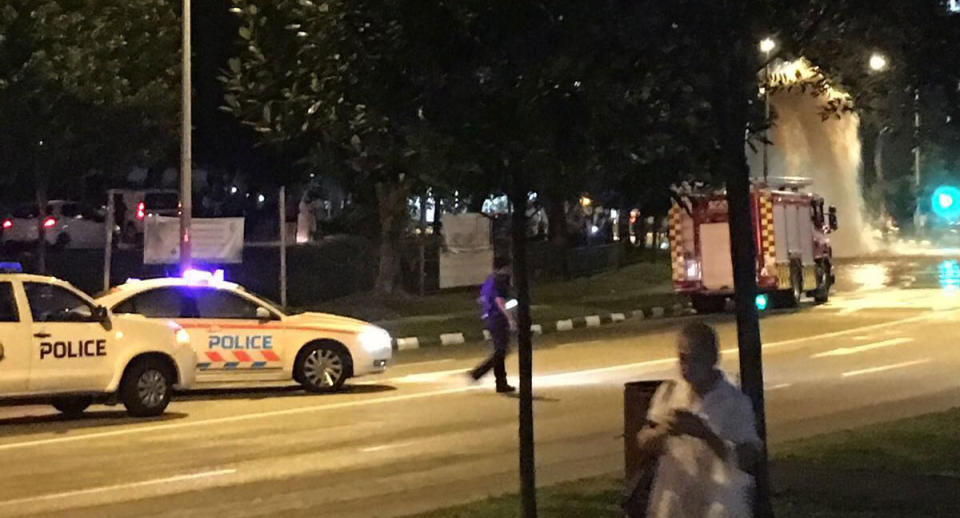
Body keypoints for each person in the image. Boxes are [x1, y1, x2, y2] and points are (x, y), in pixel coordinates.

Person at [636, 322, 762, 518]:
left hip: (718, 501)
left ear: (713, 359)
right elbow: (643, 441)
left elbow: (747, 459)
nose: (686, 367)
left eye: (695, 359)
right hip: (675, 499)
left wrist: (705, 434)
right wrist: (664, 430)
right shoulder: (670, 392)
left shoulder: (734, 402)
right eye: (683, 359)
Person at [469, 257, 517, 393]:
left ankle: (500, 383)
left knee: (500, 351)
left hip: (490, 318)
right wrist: (510, 319)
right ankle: (479, 373)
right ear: (504, 268)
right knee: (501, 351)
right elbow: (500, 301)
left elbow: (481, 299)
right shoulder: (501, 281)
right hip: (498, 318)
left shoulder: (489, 280)